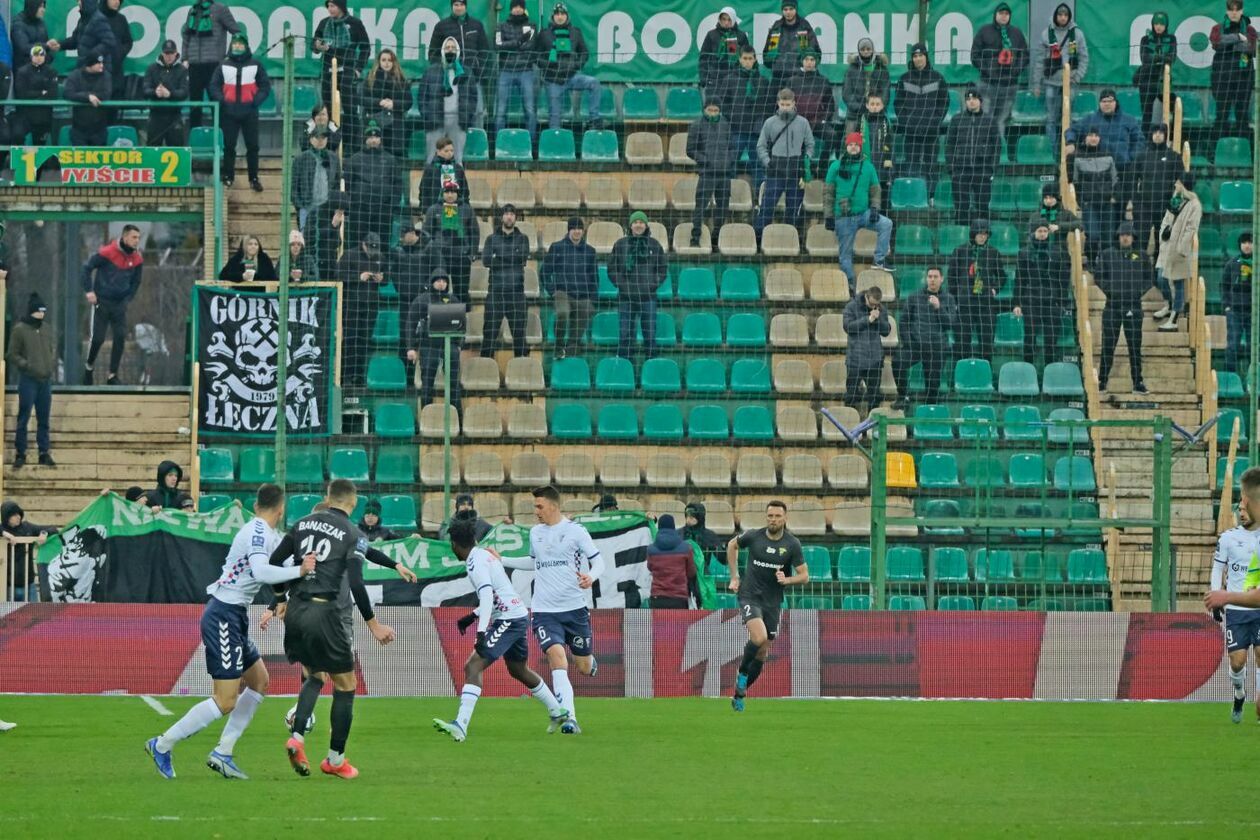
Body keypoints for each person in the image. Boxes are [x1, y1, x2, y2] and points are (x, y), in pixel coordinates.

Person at [144, 485, 315, 780]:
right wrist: (299, 573)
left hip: (234, 615)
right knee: (225, 700)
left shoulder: (268, 535)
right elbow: (263, 572)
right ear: (281, 508)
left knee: (259, 681)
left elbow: (284, 567)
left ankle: (223, 752)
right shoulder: (258, 532)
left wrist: (290, 588)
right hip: (223, 615)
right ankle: (162, 744)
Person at [270, 479, 397, 779]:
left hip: (297, 609)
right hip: (327, 613)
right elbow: (355, 581)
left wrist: (279, 599)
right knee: (346, 685)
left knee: (315, 675)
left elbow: (275, 563)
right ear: (353, 504)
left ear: (327, 498)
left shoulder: (301, 524)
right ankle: (335, 760)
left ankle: (296, 737)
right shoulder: (353, 533)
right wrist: (374, 624)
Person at [432, 515, 571, 742]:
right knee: (518, 669)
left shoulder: (475, 563)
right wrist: (471, 616)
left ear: (454, 545)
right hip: (517, 614)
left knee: (473, 665)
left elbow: (488, 595)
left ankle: (460, 725)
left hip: (508, 619)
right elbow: (501, 591)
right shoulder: (484, 555)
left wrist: (480, 632)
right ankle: (557, 710)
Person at [498, 485, 604, 735]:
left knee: (584, 667)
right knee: (557, 658)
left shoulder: (576, 531)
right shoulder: (535, 533)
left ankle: (590, 661)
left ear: (554, 506)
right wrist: (501, 559)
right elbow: (534, 562)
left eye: (539, 506)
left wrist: (592, 576)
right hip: (544, 610)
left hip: (575, 609)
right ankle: (570, 719)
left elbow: (599, 560)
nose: (536, 511)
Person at [726, 500, 807, 712]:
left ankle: (739, 695)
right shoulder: (754, 536)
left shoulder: (792, 544)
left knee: (762, 652)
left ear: (785, 518)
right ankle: (742, 674)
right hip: (750, 596)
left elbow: (805, 576)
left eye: (777, 516)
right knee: (759, 637)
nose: (773, 520)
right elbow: (731, 545)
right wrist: (734, 577)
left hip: (772, 602)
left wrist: (787, 580)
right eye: (770, 516)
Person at [1204, 466, 1260, 723]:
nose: (1242, 512)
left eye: (1244, 507)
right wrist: (1216, 600)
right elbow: (1218, 568)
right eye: (1239, 509)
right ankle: (1239, 693)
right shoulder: (1228, 538)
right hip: (1236, 610)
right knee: (1237, 662)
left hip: (1257, 607)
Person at [824, 132, 893, 295]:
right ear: (846, 147)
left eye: (856, 144)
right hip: (843, 217)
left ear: (860, 147)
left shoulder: (868, 166)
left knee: (886, 224)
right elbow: (828, 193)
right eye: (850, 145)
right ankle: (850, 283)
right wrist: (828, 216)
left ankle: (879, 259)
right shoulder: (835, 166)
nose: (853, 147)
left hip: (864, 213)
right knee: (845, 254)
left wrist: (875, 208)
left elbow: (875, 190)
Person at [1095, 222, 1154, 394]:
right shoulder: (1107, 255)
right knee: (1108, 345)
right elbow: (1099, 277)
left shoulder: (1141, 256)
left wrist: (1136, 293)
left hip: (1134, 307)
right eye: (1122, 235)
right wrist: (1111, 291)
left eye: (1128, 235)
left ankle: (1138, 383)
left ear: (1133, 237)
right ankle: (1101, 381)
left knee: (1134, 347)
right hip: (1112, 306)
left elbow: (1149, 279)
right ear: (1118, 237)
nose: (1125, 237)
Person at [81, 224, 143, 386]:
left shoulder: (137, 259)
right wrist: (89, 291)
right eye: (134, 237)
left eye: (138, 238)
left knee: (120, 336)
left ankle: (112, 376)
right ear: (124, 237)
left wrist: (128, 299)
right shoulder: (107, 252)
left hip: (119, 304)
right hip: (101, 301)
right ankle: (89, 367)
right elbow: (87, 268)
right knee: (98, 339)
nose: (137, 241)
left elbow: (137, 281)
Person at [210, 33, 271, 191]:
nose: (237, 46)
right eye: (235, 43)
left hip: (249, 112)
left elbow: (265, 86)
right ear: (231, 46)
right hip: (228, 112)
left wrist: (255, 102)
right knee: (228, 146)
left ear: (246, 46)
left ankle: (254, 178)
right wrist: (223, 101)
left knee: (253, 146)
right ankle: (228, 176)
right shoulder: (223, 65)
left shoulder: (256, 64)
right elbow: (213, 86)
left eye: (240, 44)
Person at [893, 266, 958, 406]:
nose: (932, 280)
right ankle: (903, 395)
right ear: (926, 279)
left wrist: (939, 308)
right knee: (897, 362)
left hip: (937, 347)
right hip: (916, 346)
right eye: (930, 276)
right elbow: (904, 321)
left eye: (935, 277)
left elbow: (951, 324)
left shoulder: (948, 298)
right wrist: (909, 342)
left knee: (932, 387)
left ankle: (930, 412)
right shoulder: (914, 297)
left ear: (942, 279)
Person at [608, 210, 668, 360]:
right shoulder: (620, 244)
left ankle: (651, 365)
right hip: (626, 296)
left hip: (648, 296)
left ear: (646, 225)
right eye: (635, 222)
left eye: (641, 222)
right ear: (631, 225)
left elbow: (662, 269)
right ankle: (625, 366)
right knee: (625, 333)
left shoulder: (655, 245)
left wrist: (652, 285)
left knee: (650, 333)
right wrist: (621, 285)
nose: (638, 225)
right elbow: (612, 269)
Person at [754, 88, 814, 237]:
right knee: (767, 208)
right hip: (775, 170)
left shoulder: (803, 123)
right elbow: (760, 146)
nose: (785, 107)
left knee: (793, 210)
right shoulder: (770, 122)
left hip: (795, 170)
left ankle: (791, 240)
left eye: (788, 104)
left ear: (794, 103)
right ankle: (759, 240)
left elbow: (810, 144)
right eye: (782, 104)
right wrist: (768, 162)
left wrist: (806, 160)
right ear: (778, 103)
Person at [6, 293, 56, 469]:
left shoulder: (47, 329)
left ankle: (44, 452)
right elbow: (11, 353)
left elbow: (51, 348)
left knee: (44, 419)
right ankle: (21, 453)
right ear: (32, 312)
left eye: (44, 311)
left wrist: (50, 364)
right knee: (24, 416)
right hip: (28, 380)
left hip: (45, 380)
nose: (42, 315)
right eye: (39, 311)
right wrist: (25, 365)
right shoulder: (20, 330)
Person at [404, 269, 465, 411]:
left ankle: (457, 419)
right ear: (432, 282)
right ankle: (426, 417)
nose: (441, 284)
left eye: (444, 281)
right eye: (438, 281)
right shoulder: (422, 300)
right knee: (427, 385)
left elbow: (461, 324)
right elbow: (410, 324)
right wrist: (411, 347)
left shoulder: (453, 300)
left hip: (450, 346)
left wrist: (459, 343)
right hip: (428, 346)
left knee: (453, 385)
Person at [535, 3, 602, 130]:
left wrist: (576, 65)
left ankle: (594, 119)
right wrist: (548, 65)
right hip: (553, 80)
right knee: (554, 118)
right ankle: (555, 144)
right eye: (557, 14)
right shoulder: (544, 34)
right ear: (553, 16)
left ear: (567, 16)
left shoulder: (575, 32)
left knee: (594, 83)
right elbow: (536, 56)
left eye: (562, 14)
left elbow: (584, 53)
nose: (560, 17)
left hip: (572, 76)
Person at [716, 45, 773, 191]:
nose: (748, 62)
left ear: (755, 60)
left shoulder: (763, 81)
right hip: (736, 130)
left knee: (759, 166)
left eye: (750, 58)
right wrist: (733, 118)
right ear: (739, 60)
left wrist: (761, 123)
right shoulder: (729, 79)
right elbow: (723, 103)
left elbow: (769, 105)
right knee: (730, 164)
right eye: (745, 58)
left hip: (756, 132)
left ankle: (760, 199)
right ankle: (728, 196)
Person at [946, 219, 1006, 359]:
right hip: (965, 303)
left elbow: (1002, 276)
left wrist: (994, 289)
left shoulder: (993, 252)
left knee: (986, 344)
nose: (982, 237)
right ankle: (960, 375)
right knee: (962, 343)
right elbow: (951, 277)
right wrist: (955, 299)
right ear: (973, 234)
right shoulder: (960, 251)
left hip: (985, 304)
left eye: (985, 234)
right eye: (979, 234)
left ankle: (986, 374)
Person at [1030, 3, 1088, 143]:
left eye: (1065, 15)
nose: (1063, 18)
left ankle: (1068, 149)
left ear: (1069, 17)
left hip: (1070, 82)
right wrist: (1037, 84)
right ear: (1056, 16)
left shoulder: (1077, 34)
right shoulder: (1046, 34)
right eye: (1060, 15)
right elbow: (1039, 61)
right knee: (1051, 118)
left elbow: (1084, 57)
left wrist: (1078, 76)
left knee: (1068, 117)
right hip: (1051, 82)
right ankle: (1052, 151)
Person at [343, 119, 406, 248]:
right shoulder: (354, 160)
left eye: (376, 137)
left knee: (382, 245)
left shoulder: (390, 160)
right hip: (359, 211)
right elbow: (347, 184)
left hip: (383, 210)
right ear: (365, 139)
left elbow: (398, 184)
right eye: (370, 137)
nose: (373, 140)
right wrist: (352, 204)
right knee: (357, 244)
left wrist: (391, 205)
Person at [312, 0, 370, 139]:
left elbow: (365, 48)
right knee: (328, 108)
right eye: (328, 6)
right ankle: (330, 141)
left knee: (350, 109)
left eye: (333, 6)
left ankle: (352, 145)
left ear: (341, 6)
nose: (330, 9)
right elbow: (313, 45)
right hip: (327, 71)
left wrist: (358, 69)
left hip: (347, 71)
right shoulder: (324, 23)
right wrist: (317, 46)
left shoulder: (355, 23)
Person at [970, 1, 1028, 140]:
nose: (1004, 16)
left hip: (1009, 86)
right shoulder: (984, 31)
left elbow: (1025, 55)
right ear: (995, 15)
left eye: (1006, 14)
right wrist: (987, 70)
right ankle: (982, 149)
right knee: (985, 118)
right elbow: (975, 55)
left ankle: (998, 151)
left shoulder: (1016, 33)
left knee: (1000, 120)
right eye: (1001, 13)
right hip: (987, 84)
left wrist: (1015, 71)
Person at [893, 43, 948, 189]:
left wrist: (934, 122)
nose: (918, 59)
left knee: (931, 166)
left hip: (931, 131)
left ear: (926, 57)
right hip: (911, 132)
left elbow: (944, 103)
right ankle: (913, 196)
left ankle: (930, 196)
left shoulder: (938, 78)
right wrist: (907, 123)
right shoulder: (904, 78)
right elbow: (898, 104)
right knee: (912, 166)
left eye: (921, 55)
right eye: (915, 56)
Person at [1014, 220, 1071, 361]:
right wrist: (1017, 303)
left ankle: (1049, 373)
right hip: (1031, 301)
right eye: (1039, 231)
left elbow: (1063, 280)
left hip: (1052, 302)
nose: (1042, 234)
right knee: (1029, 339)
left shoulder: (1057, 252)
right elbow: (1020, 279)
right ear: (1033, 232)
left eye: (1045, 231)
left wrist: (1062, 302)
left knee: (1051, 341)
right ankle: (1029, 373)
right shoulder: (1024, 253)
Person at [541, 216, 598, 356]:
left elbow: (594, 277)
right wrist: (552, 290)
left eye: (579, 229)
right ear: (568, 230)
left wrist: (592, 297)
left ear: (583, 231)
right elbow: (544, 272)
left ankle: (571, 348)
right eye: (574, 228)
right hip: (562, 292)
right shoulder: (557, 247)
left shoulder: (590, 251)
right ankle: (558, 345)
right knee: (562, 313)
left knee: (586, 311)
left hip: (583, 294)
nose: (577, 231)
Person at [336, 233, 388, 386]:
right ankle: (346, 376)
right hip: (352, 305)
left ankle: (360, 376)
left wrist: (382, 279)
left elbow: (388, 277)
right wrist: (358, 277)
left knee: (365, 342)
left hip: (371, 305)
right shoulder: (349, 255)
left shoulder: (380, 257)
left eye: (375, 248)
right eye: (370, 247)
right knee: (351, 341)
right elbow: (338, 275)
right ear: (363, 244)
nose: (373, 251)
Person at [290, 125, 343, 275]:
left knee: (328, 243)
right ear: (311, 139)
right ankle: (306, 275)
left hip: (327, 209)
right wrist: (301, 206)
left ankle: (326, 277)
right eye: (317, 137)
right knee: (305, 244)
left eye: (323, 138)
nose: (320, 141)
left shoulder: (333, 158)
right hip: (308, 207)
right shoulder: (301, 159)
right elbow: (294, 187)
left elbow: (337, 184)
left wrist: (335, 207)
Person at [481, 204, 532, 359]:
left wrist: (499, 256)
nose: (509, 217)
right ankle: (485, 367)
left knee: (519, 335)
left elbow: (522, 258)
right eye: (506, 214)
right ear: (502, 217)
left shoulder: (523, 238)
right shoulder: (491, 239)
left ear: (516, 218)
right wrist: (511, 256)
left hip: (516, 293)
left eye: (512, 214)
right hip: (496, 293)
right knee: (489, 334)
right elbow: (486, 260)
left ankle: (520, 367)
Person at [180, 0, 240, 130]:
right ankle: (195, 138)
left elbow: (237, 32)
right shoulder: (193, 10)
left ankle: (220, 139)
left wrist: (230, 56)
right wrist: (185, 58)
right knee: (194, 106)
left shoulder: (221, 9)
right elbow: (186, 35)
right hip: (194, 65)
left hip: (214, 65)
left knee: (217, 104)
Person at [1153, 172, 1202, 331]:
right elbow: (1166, 219)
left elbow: (1191, 228)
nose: (1175, 185)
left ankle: (1174, 317)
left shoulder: (1195, 205)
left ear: (1184, 184)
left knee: (1178, 282)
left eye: (1178, 182)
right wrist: (1163, 234)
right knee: (1160, 277)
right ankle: (1168, 304)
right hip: (1167, 246)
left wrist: (1181, 247)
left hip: (1180, 250)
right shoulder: (1176, 199)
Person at [429, 0, 491, 123]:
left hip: (473, 77)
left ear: (466, 6)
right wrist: (445, 69)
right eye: (456, 5)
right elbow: (432, 54)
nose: (459, 7)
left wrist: (479, 70)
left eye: (461, 4)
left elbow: (485, 51)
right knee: (452, 114)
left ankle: (477, 141)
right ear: (452, 6)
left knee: (477, 113)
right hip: (451, 80)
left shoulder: (476, 25)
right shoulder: (441, 26)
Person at [1123, 123, 1181, 253]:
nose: (1158, 135)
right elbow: (1132, 178)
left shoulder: (1173, 156)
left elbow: (1181, 181)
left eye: (1161, 132)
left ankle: (1159, 270)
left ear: (1166, 135)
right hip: (1144, 205)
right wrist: (1135, 199)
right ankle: (1138, 267)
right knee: (1140, 240)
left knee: (1162, 241)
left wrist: (1175, 202)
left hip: (1165, 205)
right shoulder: (1142, 155)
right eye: (1155, 132)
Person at [946, 86, 1001, 225]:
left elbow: (996, 146)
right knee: (961, 207)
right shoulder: (957, 120)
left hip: (982, 169)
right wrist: (952, 169)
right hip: (961, 169)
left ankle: (983, 235)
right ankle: (961, 237)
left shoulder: (990, 121)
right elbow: (950, 145)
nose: (971, 102)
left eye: (974, 98)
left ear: (980, 101)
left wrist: (992, 169)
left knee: (982, 206)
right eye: (968, 99)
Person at [418, 37, 476, 163]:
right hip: (435, 119)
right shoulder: (431, 71)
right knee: (431, 158)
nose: (450, 50)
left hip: (458, 120)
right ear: (442, 50)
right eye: (447, 47)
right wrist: (428, 116)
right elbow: (422, 97)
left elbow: (473, 97)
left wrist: (467, 114)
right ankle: (430, 182)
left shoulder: (466, 72)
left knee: (457, 158)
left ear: (458, 50)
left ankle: (457, 182)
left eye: (453, 48)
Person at [421, 180, 480, 302]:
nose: (450, 195)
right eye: (447, 192)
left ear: (457, 194)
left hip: (461, 256)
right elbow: (426, 234)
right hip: (440, 256)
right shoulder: (433, 209)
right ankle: (439, 317)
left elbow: (474, 232)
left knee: (461, 291)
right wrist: (433, 252)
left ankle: (460, 318)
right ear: (442, 193)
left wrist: (472, 254)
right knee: (440, 289)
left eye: (453, 192)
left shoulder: (467, 210)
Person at [687, 99, 733, 250]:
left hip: (724, 173)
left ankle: (715, 238)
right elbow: (690, 150)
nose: (713, 113)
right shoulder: (696, 125)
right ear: (704, 110)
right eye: (710, 110)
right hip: (707, 173)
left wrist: (729, 160)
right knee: (700, 206)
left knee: (723, 208)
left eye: (716, 110)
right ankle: (695, 238)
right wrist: (705, 160)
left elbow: (733, 146)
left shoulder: (725, 124)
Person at [1211, 0, 1258, 140]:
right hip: (1221, 79)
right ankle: (1216, 154)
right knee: (1221, 115)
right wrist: (1238, 38)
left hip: (1243, 79)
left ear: (1242, 11)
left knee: (1242, 115)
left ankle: (1243, 154)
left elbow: (1253, 48)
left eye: (1237, 10)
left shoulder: (1250, 30)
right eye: (1231, 9)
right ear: (1227, 11)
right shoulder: (1217, 28)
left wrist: (1230, 43)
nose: (1234, 13)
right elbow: (1216, 43)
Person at [1064, 89, 1145, 171]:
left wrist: (1131, 158)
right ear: (1099, 103)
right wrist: (1071, 143)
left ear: (1115, 102)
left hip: (1124, 168)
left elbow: (1139, 140)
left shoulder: (1129, 120)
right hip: (1099, 170)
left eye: (1110, 101)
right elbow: (1071, 130)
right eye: (1103, 101)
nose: (1107, 104)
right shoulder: (1090, 119)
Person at [1070, 126, 1118, 262]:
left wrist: (1115, 196)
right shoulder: (1077, 157)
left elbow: (1115, 179)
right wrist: (1081, 200)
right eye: (1090, 135)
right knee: (1093, 235)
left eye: (1096, 135)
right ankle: (1091, 262)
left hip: (1108, 202)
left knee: (1108, 237)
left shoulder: (1108, 155)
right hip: (1089, 203)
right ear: (1085, 138)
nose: (1093, 138)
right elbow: (1075, 181)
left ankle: (1106, 265)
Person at [841, 285, 891, 413]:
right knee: (851, 396)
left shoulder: (880, 308)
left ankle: (872, 429)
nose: (873, 307)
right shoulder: (851, 307)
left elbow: (886, 331)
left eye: (876, 304)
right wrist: (868, 320)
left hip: (874, 360)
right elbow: (848, 327)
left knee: (874, 398)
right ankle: (850, 425)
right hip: (855, 360)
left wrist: (878, 318)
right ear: (866, 297)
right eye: (871, 304)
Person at [495, 0, 538, 139]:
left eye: (520, 7)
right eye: (515, 7)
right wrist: (519, 42)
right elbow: (497, 46)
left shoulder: (531, 26)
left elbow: (530, 46)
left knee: (530, 110)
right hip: (505, 71)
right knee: (501, 110)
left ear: (524, 9)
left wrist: (510, 45)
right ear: (510, 9)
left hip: (526, 71)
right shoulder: (500, 26)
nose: (518, 9)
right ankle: (498, 143)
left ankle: (531, 144)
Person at [359, 49, 409, 158]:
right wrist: (379, 102)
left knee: (394, 156)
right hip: (374, 122)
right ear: (379, 62)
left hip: (395, 124)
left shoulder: (401, 79)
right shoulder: (370, 77)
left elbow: (408, 102)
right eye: (384, 60)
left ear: (394, 62)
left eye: (390, 60)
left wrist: (394, 104)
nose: (387, 63)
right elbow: (362, 99)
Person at [1, 500, 54, 600]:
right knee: (9, 615)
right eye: (14, 514)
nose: (18, 517)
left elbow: (52, 528)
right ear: (6, 517)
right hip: (8, 585)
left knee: (34, 615)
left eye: (19, 513)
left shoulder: (27, 527)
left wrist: (44, 533)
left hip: (29, 584)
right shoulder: (2, 528)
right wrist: (5, 534)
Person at [1135, 12, 1177, 134]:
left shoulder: (1171, 39)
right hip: (1146, 80)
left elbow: (1172, 58)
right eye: (1156, 23)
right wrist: (1161, 58)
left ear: (1166, 25)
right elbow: (1144, 59)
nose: (1158, 26)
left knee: (1167, 113)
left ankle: (1164, 139)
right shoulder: (1146, 39)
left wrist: (1154, 58)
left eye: (1161, 24)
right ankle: (1145, 140)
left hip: (1164, 80)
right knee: (1146, 114)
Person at [761, 0, 819, 87]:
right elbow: (766, 55)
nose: (788, 12)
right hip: (778, 77)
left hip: (799, 77)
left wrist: (806, 69)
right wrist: (775, 65)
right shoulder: (776, 27)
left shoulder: (804, 26)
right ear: (782, 10)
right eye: (785, 9)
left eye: (791, 9)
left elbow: (816, 52)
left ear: (796, 9)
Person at [647, 515, 699, 609]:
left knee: (658, 624)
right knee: (678, 624)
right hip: (679, 597)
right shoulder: (686, 548)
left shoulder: (650, 549)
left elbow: (650, 567)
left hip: (657, 597)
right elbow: (692, 572)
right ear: (673, 527)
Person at [787, 51, 836, 153]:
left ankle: (823, 165)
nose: (809, 62)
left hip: (817, 122)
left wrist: (824, 119)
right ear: (802, 61)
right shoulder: (792, 81)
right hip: (798, 122)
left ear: (816, 62)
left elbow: (830, 105)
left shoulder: (823, 81)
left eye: (812, 60)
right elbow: (786, 103)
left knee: (832, 135)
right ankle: (800, 166)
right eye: (806, 60)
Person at [143, 40, 189, 146]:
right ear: (162, 53)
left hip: (174, 115)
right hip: (155, 115)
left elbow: (184, 92)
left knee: (176, 150)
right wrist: (155, 92)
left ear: (176, 53)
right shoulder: (152, 68)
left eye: (171, 53)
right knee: (152, 151)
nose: (169, 56)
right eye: (167, 53)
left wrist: (169, 94)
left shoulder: (182, 70)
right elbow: (145, 89)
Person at [13, 45, 58, 147]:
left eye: (41, 55)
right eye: (36, 55)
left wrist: (33, 94)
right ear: (31, 56)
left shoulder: (51, 71)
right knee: (18, 138)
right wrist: (41, 93)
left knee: (40, 145)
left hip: (44, 116)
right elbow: (21, 94)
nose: (39, 57)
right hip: (25, 115)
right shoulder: (22, 72)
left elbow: (53, 94)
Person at [840, 38, 889, 132]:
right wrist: (859, 107)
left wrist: (876, 106)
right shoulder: (851, 69)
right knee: (851, 143)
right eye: (862, 49)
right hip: (854, 114)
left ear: (873, 50)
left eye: (868, 49)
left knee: (879, 142)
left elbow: (885, 92)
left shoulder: (881, 68)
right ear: (859, 51)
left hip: (877, 113)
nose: (865, 51)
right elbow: (847, 93)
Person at [63, 55, 112, 146]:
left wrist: (86, 95)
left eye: (102, 63)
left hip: (99, 128)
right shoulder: (76, 75)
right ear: (89, 65)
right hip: (79, 128)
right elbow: (68, 93)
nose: (101, 65)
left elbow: (106, 94)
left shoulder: (106, 76)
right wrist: (87, 97)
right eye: (98, 63)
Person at [1224, 231, 1254, 377]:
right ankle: (1231, 377)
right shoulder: (1231, 264)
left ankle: (1252, 378)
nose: (1247, 246)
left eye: (1250, 242)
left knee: (1253, 347)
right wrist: (1227, 306)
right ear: (1240, 245)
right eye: (1244, 242)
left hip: (1253, 312)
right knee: (1232, 346)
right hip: (1235, 311)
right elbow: (1224, 285)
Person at [698, 10, 749, 93]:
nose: (726, 22)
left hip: (735, 78)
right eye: (724, 19)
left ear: (734, 20)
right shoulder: (711, 35)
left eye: (729, 20)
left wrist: (743, 77)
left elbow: (746, 58)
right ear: (719, 19)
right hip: (715, 78)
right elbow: (704, 58)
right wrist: (705, 78)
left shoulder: (741, 36)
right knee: (714, 104)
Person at [417, 136, 469, 215]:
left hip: (456, 211)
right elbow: (424, 191)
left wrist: (466, 210)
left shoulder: (458, 169)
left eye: (452, 150)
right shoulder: (430, 169)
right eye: (446, 151)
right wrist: (425, 211)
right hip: (435, 211)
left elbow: (465, 191)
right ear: (438, 151)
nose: (450, 153)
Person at [94, 0, 132, 101]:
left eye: (119, 0)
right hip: (97, 73)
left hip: (116, 73)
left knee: (114, 109)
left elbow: (128, 42)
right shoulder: (94, 18)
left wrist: (119, 53)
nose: (117, 2)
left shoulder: (121, 19)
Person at [857, 92, 895, 193]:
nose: (874, 107)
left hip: (882, 162)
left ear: (882, 106)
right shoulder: (861, 121)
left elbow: (890, 143)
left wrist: (889, 160)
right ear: (867, 105)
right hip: (866, 161)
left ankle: (883, 208)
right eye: (872, 104)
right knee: (867, 189)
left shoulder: (886, 122)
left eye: (877, 104)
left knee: (882, 189)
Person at [11, 0, 58, 74]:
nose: (43, 10)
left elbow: (47, 48)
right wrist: (46, 46)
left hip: (41, 71)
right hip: (24, 73)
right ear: (32, 7)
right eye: (40, 7)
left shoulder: (41, 23)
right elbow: (23, 48)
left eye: (43, 7)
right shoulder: (18, 24)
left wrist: (48, 55)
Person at [389, 220, 427, 304]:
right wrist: (400, 289)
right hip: (405, 297)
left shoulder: (428, 247)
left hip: (424, 295)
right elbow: (393, 271)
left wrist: (426, 287)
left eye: (403, 236)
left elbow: (437, 268)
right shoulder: (399, 251)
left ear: (412, 233)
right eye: (400, 236)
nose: (401, 238)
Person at [1031, 182, 1081, 246]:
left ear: (1057, 198)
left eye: (1051, 197)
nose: (1048, 201)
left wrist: (1059, 227)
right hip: (1038, 250)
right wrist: (1038, 235)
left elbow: (1080, 224)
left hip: (1060, 252)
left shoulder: (1065, 214)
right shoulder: (1035, 215)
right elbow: (1029, 235)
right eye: (1046, 198)